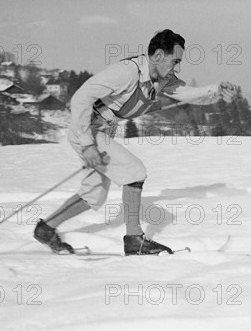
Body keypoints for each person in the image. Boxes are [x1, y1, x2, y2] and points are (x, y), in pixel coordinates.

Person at [34, 29, 237, 255]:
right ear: (158, 56)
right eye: (175, 61)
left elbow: (188, 94)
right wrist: (88, 144)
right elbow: (81, 97)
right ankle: (134, 239)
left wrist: (218, 91)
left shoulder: (160, 79)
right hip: (87, 130)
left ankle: (46, 228)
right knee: (134, 171)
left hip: (100, 131)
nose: (176, 67)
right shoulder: (126, 72)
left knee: (94, 194)